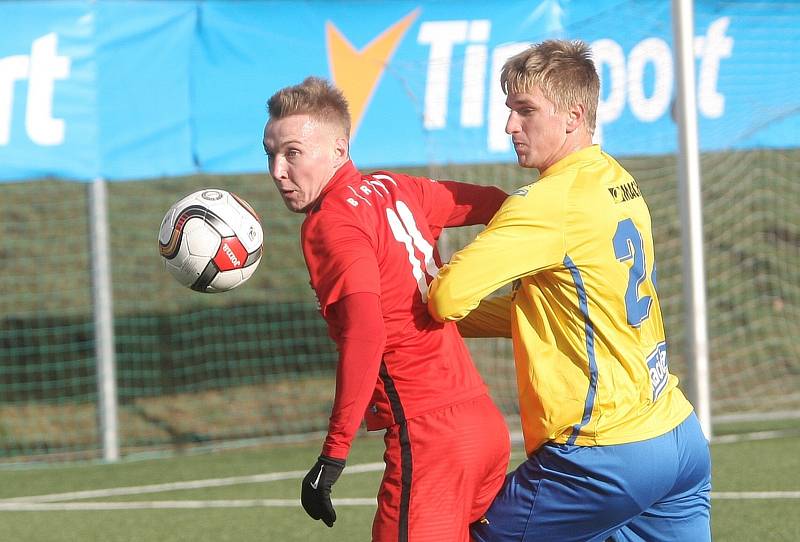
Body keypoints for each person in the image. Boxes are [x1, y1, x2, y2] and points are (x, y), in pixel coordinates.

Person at [428, 40, 712, 541]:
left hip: (604, 455)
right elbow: (554, 309)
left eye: (525, 111)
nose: (510, 126)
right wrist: (451, 321)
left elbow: (448, 296)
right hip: (677, 436)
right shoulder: (617, 179)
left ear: (572, 116)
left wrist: (411, 299)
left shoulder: (547, 202)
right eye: (509, 110)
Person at [262, 76, 511, 541]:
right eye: (270, 153)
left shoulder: (330, 223)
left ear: (339, 149)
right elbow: (498, 204)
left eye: (292, 152)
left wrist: (333, 455)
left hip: (429, 437)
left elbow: (365, 334)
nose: (277, 169)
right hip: (483, 427)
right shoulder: (397, 187)